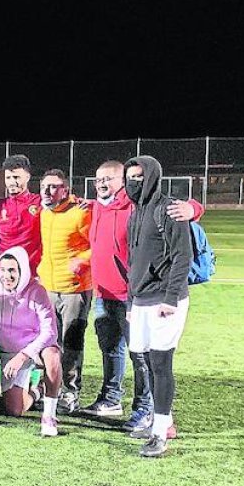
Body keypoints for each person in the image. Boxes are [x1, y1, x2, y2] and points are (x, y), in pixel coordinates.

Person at [85, 160, 201, 423]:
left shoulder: (137, 207)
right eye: (98, 180)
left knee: (143, 357)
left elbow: (179, 226)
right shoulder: (94, 208)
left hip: (135, 296)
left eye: (109, 179)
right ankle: (111, 399)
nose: (102, 184)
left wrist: (193, 208)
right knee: (111, 350)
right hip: (105, 295)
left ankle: (145, 409)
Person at [124, 155, 192, 458]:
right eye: (129, 176)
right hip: (140, 300)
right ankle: (160, 421)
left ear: (152, 176)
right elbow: (132, 261)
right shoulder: (135, 213)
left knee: (161, 364)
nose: (132, 182)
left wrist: (170, 298)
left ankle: (161, 432)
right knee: (145, 362)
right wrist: (130, 299)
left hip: (164, 300)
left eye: (138, 177)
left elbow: (182, 256)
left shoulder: (169, 210)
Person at [0, 248, 65, 436]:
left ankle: (49, 416)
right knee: (15, 410)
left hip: (36, 350)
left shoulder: (37, 291)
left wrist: (24, 355)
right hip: (9, 352)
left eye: (12, 270)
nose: (6, 275)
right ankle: (38, 390)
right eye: (3, 270)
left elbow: (49, 332)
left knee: (53, 356)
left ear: (22, 270)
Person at [38, 169, 92, 414]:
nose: (48, 191)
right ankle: (49, 387)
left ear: (66, 190)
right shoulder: (44, 213)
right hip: (48, 288)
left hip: (74, 289)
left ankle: (70, 391)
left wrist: (81, 261)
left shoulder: (81, 213)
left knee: (71, 342)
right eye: (44, 186)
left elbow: (97, 245)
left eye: (54, 187)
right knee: (50, 342)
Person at [0, 154, 43, 275]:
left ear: (27, 177)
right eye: (8, 178)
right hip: (7, 276)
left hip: (34, 274)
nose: (12, 182)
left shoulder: (39, 202)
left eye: (16, 177)